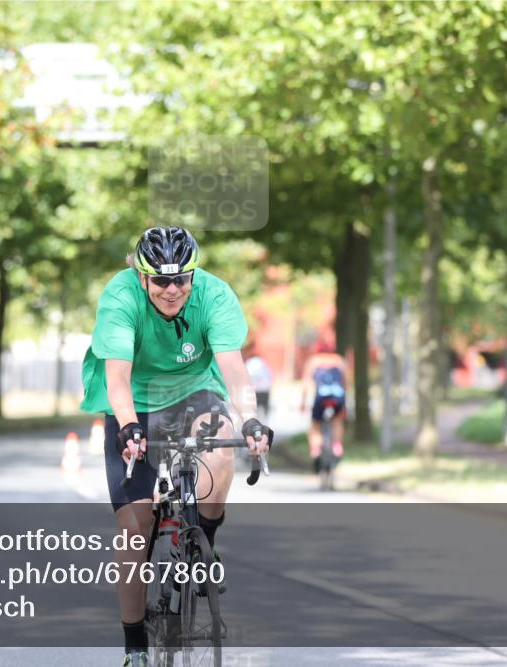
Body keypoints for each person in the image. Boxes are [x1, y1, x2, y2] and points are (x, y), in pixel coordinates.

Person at [80, 226, 273, 667]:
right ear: (142, 276)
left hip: (195, 392)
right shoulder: (121, 297)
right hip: (136, 402)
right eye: (161, 281)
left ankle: (203, 539)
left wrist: (251, 420)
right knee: (135, 527)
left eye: (181, 279)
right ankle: (135, 649)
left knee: (220, 445)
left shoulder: (214, 295)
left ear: (193, 274)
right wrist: (128, 427)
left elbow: (234, 372)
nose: (172, 290)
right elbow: (117, 379)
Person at [301, 344, 347, 473]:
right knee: (337, 421)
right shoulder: (339, 360)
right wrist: (344, 403)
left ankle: (316, 449)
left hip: (320, 398)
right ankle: (337, 446)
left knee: (315, 425)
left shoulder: (314, 361)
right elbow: (345, 382)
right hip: (338, 397)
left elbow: (306, 384)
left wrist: (303, 403)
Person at [244, 353, 273, 420]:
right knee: (264, 410)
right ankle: (264, 423)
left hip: (254, 391)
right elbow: (269, 376)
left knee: (253, 411)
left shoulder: (249, 363)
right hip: (264, 390)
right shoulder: (263, 364)